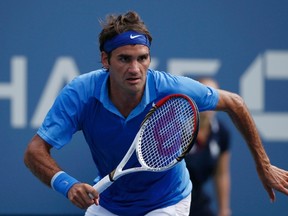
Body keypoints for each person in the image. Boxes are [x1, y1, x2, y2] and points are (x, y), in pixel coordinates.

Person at [24, 11, 288, 216]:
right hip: (109, 202)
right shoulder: (81, 93)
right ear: (105, 60)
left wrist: (263, 166)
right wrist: (67, 185)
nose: (136, 69)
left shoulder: (169, 88)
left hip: (167, 200)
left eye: (142, 58)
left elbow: (236, 103)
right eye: (124, 59)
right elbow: (34, 151)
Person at [185, 78, 231, 216]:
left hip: (198, 202)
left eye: (214, 95)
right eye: (204, 94)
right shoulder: (176, 129)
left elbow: (221, 174)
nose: (209, 100)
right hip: (172, 201)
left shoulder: (222, 133)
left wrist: (224, 210)